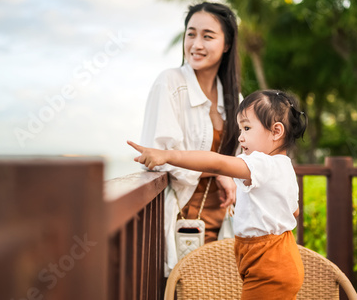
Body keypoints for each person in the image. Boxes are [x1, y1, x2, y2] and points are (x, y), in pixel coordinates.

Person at [129, 89, 307, 299]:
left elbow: (218, 162)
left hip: (269, 265)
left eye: (247, 128)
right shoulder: (283, 166)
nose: (240, 137)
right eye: (240, 129)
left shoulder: (263, 163)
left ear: (276, 132)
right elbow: (293, 211)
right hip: (276, 258)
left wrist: (168, 155)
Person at [138, 2, 241, 276]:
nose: (196, 44)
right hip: (182, 219)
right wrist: (221, 169)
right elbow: (156, 158)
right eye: (191, 34)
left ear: (227, 45)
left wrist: (228, 170)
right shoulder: (169, 83)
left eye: (208, 36)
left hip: (226, 220)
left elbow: (246, 160)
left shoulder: (235, 99)